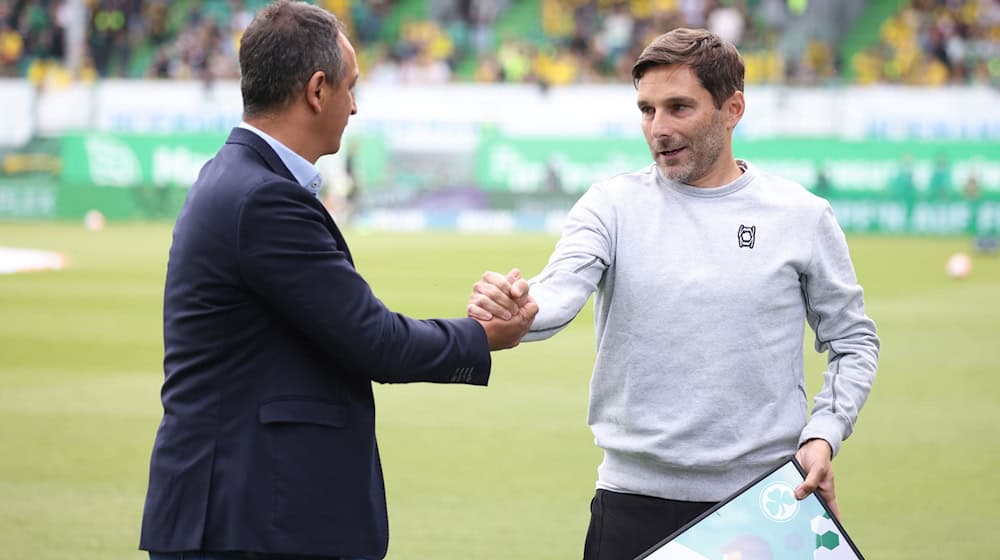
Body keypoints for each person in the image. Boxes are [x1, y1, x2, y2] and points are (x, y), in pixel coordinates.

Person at [138, 2, 537, 560]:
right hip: (249, 519)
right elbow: (374, 341)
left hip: (241, 511)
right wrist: (484, 335)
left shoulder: (236, 179)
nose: (355, 106)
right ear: (317, 89)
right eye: (351, 87)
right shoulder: (263, 197)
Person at [468, 28, 879, 560]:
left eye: (678, 108)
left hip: (765, 500)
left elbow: (854, 342)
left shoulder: (801, 215)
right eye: (646, 110)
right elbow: (557, 292)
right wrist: (519, 306)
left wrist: (824, 434)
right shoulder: (611, 205)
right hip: (632, 503)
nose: (658, 129)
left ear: (733, 109)